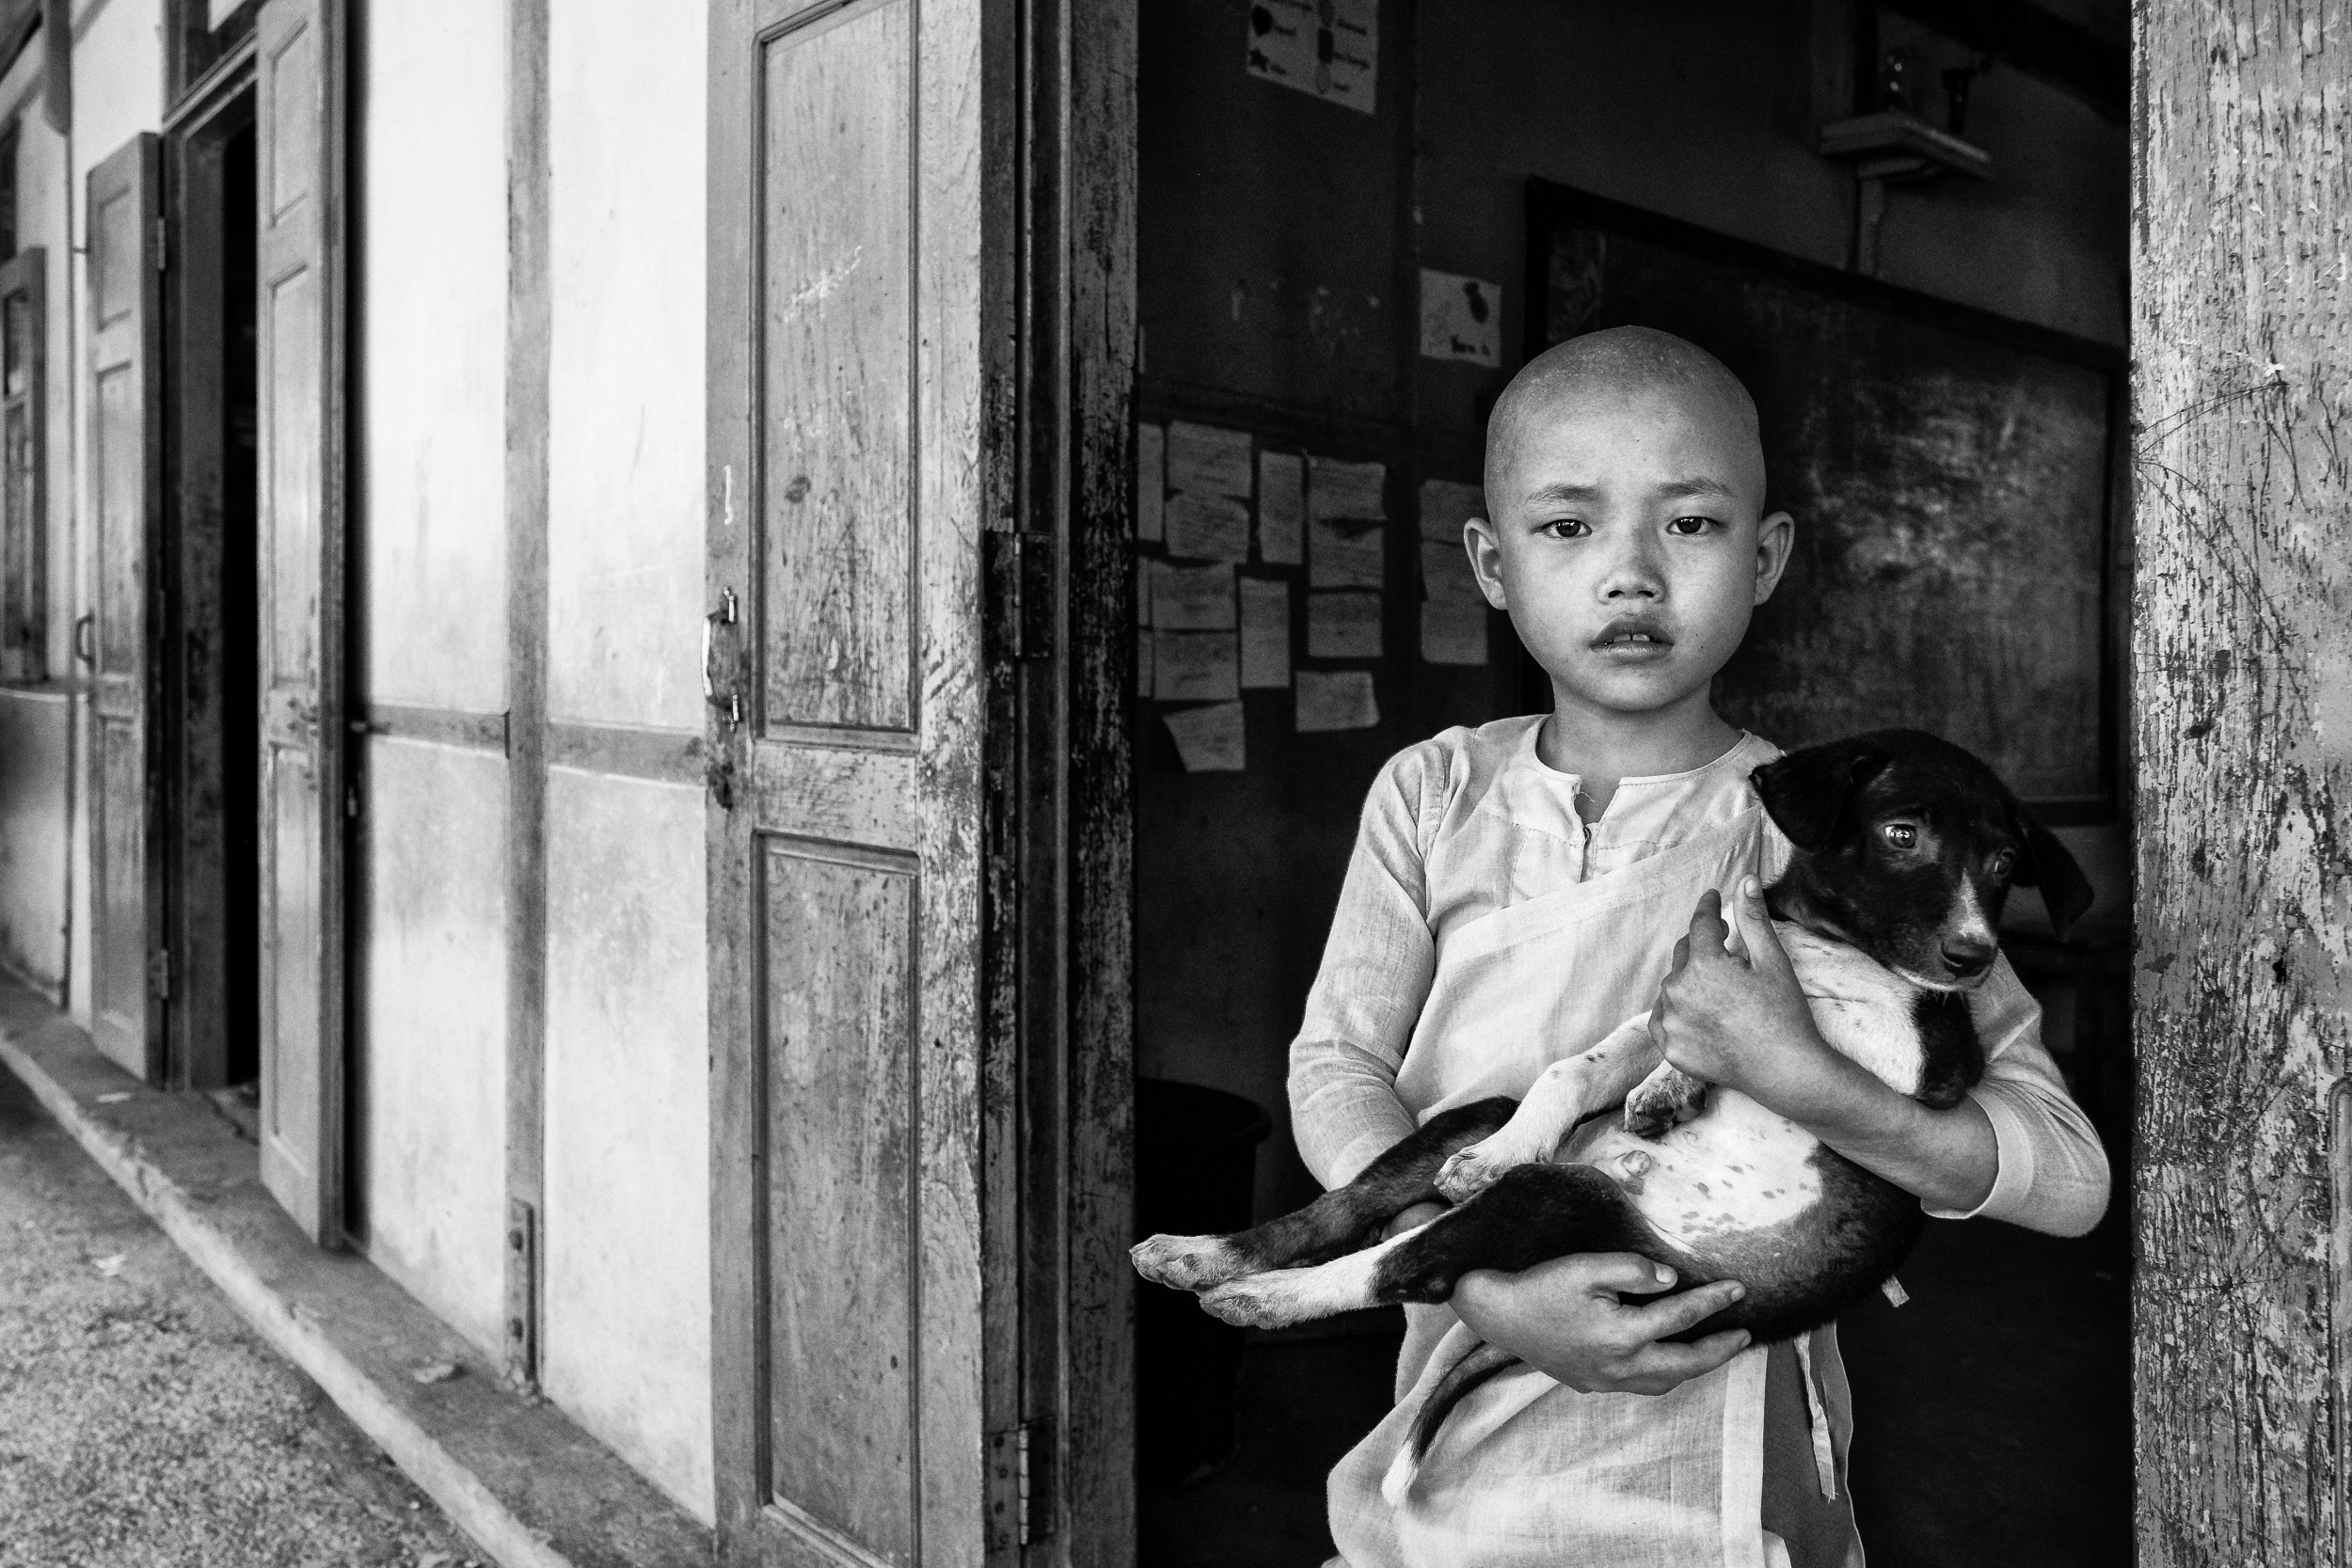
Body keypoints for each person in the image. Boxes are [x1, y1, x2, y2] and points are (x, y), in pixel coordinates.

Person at [1288, 325, 2110, 1568]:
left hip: (1728, 1481)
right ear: (1493, 563)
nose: (1631, 575)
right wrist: (1476, 1285)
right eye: (1568, 526)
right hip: (1454, 1435)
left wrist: (1806, 1081)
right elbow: (1338, 1061)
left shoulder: (1841, 834)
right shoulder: (1435, 794)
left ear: (1765, 556)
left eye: (1690, 524)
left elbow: (2069, 1175)